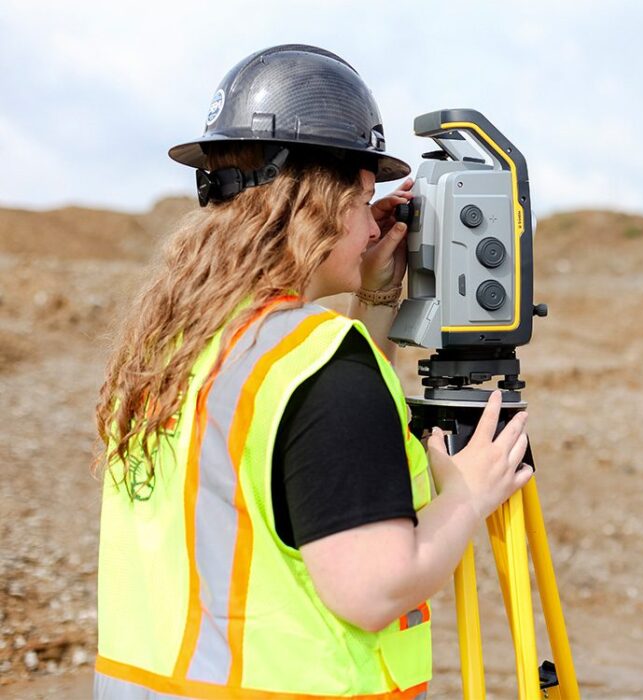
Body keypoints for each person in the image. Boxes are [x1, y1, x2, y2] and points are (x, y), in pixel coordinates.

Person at [92, 45, 532, 699]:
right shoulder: (323, 371)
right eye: (362, 200)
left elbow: (306, 465)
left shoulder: (179, 347)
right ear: (313, 205)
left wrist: (375, 304)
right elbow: (374, 587)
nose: (374, 222)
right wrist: (467, 494)